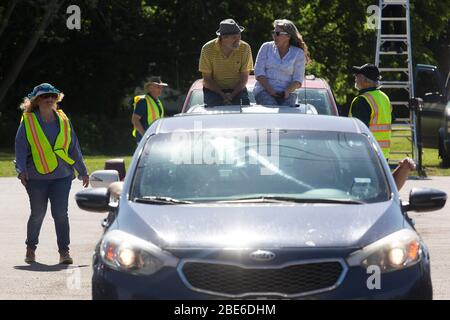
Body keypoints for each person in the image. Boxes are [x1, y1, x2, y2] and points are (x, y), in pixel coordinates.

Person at [15, 83, 89, 264]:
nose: (49, 99)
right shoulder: (29, 121)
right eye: (44, 96)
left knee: (61, 214)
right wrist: (21, 170)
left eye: (52, 96)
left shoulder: (63, 120)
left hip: (62, 176)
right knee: (38, 213)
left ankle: (64, 251)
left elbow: (74, 146)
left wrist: (83, 171)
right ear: (36, 100)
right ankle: (30, 248)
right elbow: (20, 147)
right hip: (36, 178)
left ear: (57, 99)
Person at [253, 19, 310, 107]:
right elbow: (259, 73)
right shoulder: (266, 47)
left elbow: (298, 80)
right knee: (271, 107)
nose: (274, 36)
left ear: (288, 36)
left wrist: (286, 91)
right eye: (273, 32)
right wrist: (270, 90)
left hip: (288, 93)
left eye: (278, 33)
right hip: (264, 90)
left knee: (286, 113)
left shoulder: (298, 53)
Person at [199, 18, 254, 106]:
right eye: (234, 37)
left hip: (237, 89)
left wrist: (231, 96)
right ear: (223, 38)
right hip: (214, 90)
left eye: (239, 35)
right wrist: (223, 95)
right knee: (214, 112)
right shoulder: (207, 49)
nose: (238, 40)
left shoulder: (245, 48)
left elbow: (244, 78)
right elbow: (207, 79)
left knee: (244, 111)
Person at [349, 63, 392, 159]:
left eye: (358, 75)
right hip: (383, 154)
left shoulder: (362, 100)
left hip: (366, 154)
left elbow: (359, 131)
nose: (355, 77)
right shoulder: (384, 97)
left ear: (365, 80)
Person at [131, 76, 167, 144]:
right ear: (150, 88)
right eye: (158, 87)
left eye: (161, 87)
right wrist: (145, 135)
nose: (160, 89)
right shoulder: (143, 101)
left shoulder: (158, 101)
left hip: (154, 139)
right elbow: (135, 120)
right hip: (144, 140)